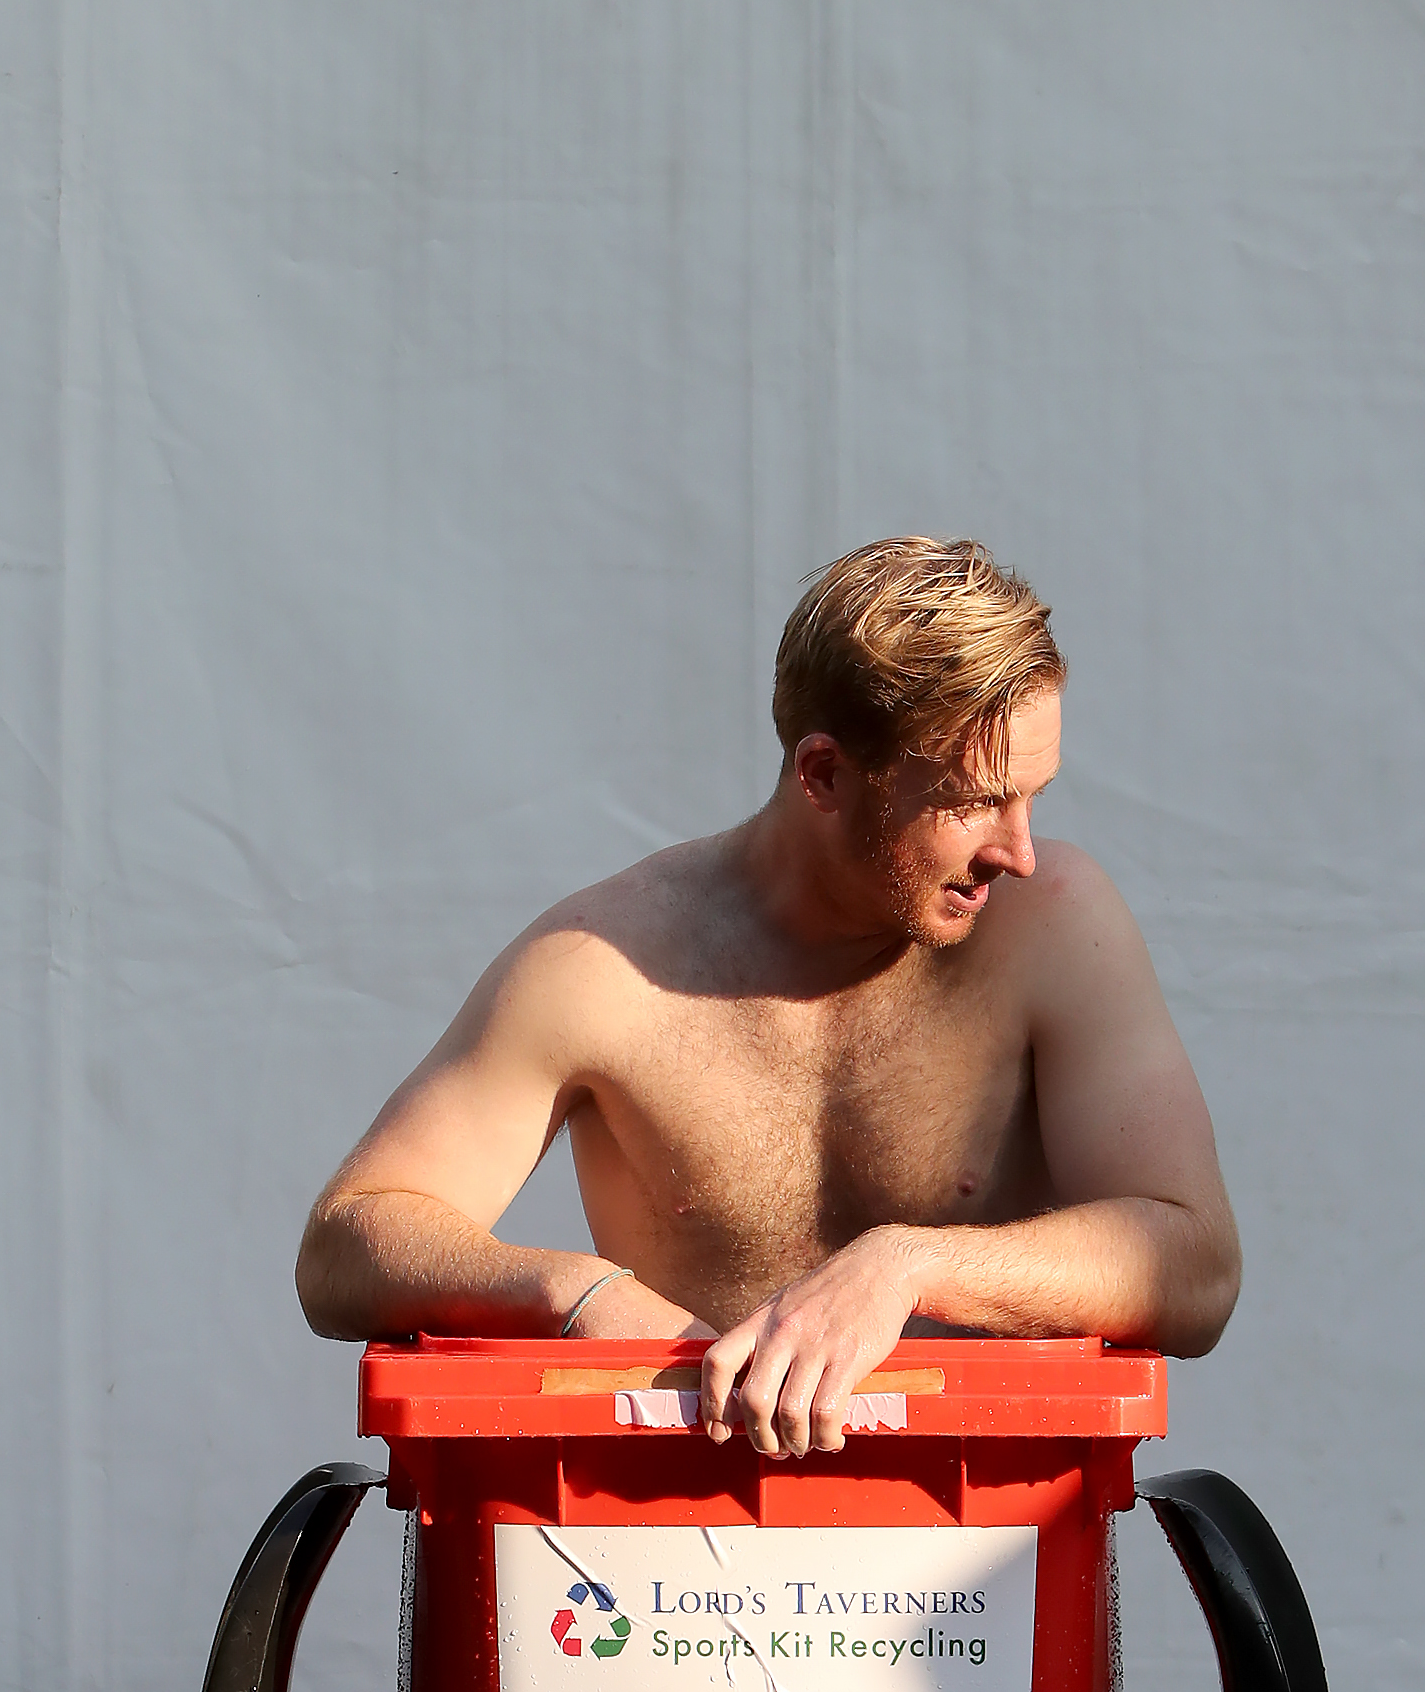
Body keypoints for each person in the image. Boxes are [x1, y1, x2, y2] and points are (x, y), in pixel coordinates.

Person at [297, 539, 1239, 1456]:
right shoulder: (602, 965)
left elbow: (1196, 1266)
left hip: (974, 1543)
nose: (1019, 851)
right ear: (824, 774)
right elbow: (345, 1244)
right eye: (971, 801)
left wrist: (910, 1267)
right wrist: (575, 1295)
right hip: (676, 1549)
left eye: (1034, 796)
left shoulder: (1055, 924)